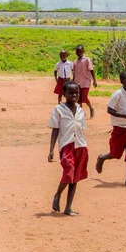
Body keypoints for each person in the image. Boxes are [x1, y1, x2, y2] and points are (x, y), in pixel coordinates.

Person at [47, 81, 88, 216]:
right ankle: (57, 194)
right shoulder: (58, 110)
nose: (74, 95)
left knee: (74, 178)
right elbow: (55, 130)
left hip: (80, 145)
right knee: (68, 172)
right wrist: (51, 150)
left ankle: (68, 207)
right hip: (66, 146)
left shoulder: (81, 111)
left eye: (76, 92)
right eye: (70, 92)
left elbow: (82, 129)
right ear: (64, 94)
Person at [73, 45, 98, 119]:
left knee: (84, 97)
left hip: (86, 81)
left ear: (83, 51)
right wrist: (73, 80)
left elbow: (91, 70)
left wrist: (94, 80)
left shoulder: (87, 60)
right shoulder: (75, 61)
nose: (79, 53)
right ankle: (80, 113)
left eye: (80, 51)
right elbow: (74, 72)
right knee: (78, 99)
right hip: (77, 82)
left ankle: (91, 108)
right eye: (77, 52)